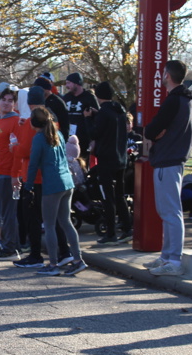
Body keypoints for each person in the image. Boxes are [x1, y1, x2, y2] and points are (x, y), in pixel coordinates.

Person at [143, 60, 192, 277]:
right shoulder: (184, 100)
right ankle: (166, 256)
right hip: (172, 158)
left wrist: (155, 133)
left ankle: (174, 259)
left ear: (167, 75)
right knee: (168, 211)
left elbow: (152, 130)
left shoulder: (173, 100)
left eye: (164, 73)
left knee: (171, 211)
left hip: (168, 159)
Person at [24, 106, 87, 275]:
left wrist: (28, 186)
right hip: (67, 182)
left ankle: (53, 264)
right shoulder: (57, 133)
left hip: (52, 185)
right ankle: (78, 260)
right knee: (66, 222)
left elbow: (33, 164)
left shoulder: (39, 138)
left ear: (33, 122)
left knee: (49, 225)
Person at [89, 81, 132, 245]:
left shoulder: (103, 113)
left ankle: (111, 232)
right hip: (120, 158)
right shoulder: (119, 111)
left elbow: (95, 133)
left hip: (106, 158)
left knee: (107, 196)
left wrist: (88, 119)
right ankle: (127, 228)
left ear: (98, 96)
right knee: (120, 195)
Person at [0, 87, 23, 260]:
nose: (6, 103)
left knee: (8, 213)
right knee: (3, 212)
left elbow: (17, 150)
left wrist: (15, 175)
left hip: (7, 173)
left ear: (15, 104)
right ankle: (11, 244)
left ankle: (10, 248)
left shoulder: (15, 121)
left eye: (10, 100)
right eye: (4, 99)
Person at [61, 72, 98, 157]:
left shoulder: (89, 97)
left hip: (84, 139)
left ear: (76, 83)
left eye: (69, 83)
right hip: (68, 139)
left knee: (83, 163)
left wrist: (94, 140)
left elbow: (97, 118)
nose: (66, 86)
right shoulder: (66, 98)